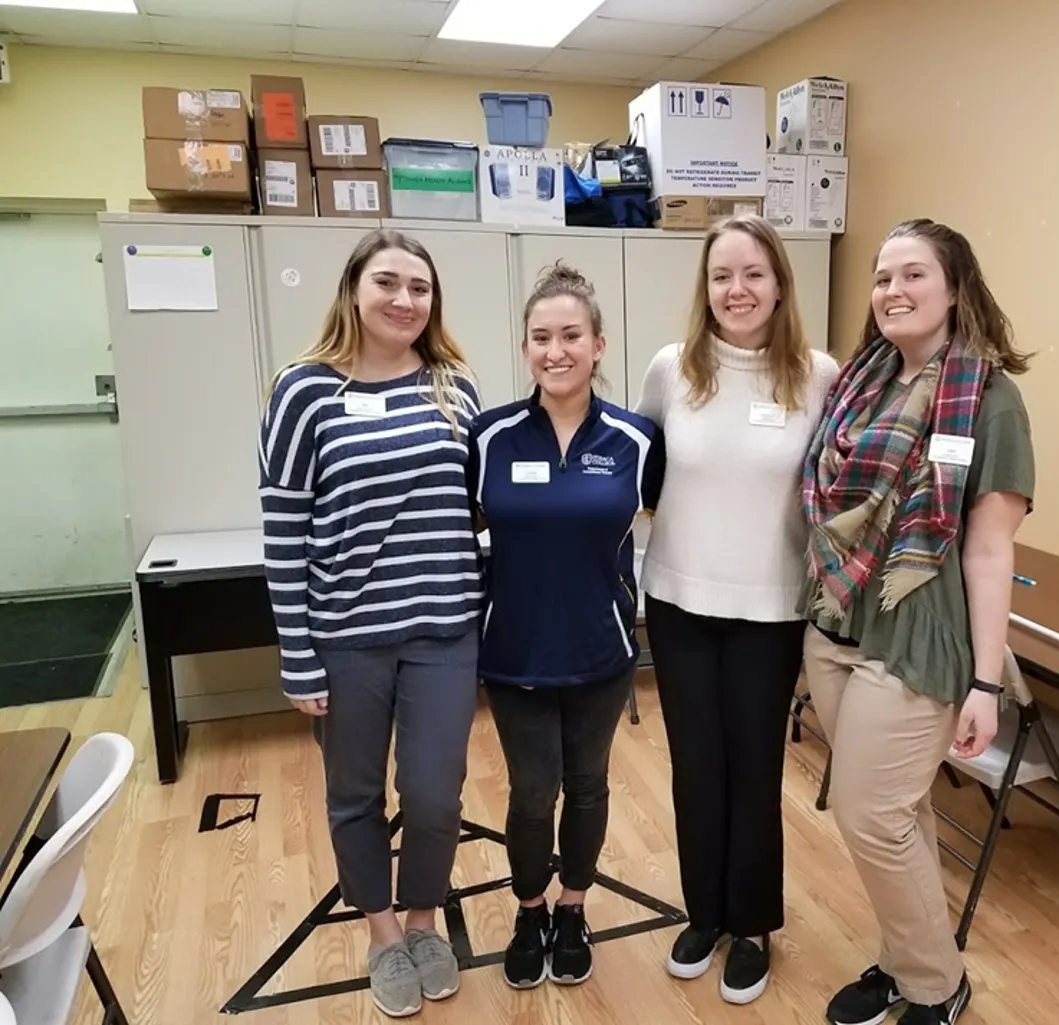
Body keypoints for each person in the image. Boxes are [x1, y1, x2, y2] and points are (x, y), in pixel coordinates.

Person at [800, 218, 1035, 1025]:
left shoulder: (989, 401)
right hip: (836, 626)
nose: (893, 291)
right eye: (882, 277)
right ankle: (903, 959)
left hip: (918, 642)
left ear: (956, 288)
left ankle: (937, 984)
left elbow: (989, 551)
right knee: (898, 813)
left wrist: (985, 684)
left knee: (869, 814)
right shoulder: (858, 384)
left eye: (914, 275)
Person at [258, 229, 482, 1019]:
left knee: (434, 793)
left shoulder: (455, 387)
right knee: (354, 793)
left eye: (419, 287)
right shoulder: (304, 391)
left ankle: (423, 918)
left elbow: (479, 508)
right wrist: (297, 654)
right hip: (346, 637)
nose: (404, 299)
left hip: (445, 630)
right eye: (387, 282)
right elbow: (283, 529)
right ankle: (383, 932)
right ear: (354, 288)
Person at [635, 214, 840, 1004]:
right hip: (679, 600)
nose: (737, 289)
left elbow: (836, 488)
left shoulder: (816, 376)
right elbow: (644, 474)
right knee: (696, 766)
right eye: (722, 275)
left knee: (754, 768)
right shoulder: (672, 369)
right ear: (706, 287)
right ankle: (705, 913)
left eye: (754, 273)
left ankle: (751, 925)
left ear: (780, 282)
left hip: (771, 608)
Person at [467, 262, 665, 990]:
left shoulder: (637, 439)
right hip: (514, 648)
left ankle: (573, 908)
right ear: (525, 347)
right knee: (531, 791)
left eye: (571, 336)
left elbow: (670, 518)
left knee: (587, 785)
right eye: (542, 337)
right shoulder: (489, 436)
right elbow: (456, 531)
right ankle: (530, 911)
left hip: (600, 648)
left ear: (598, 345)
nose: (557, 351)